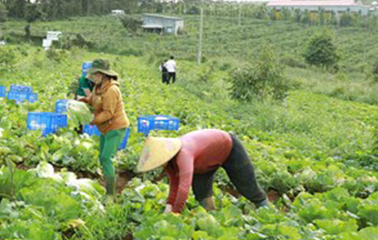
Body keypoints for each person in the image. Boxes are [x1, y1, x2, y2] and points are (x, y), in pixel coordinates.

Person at [135, 129, 269, 214]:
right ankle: (211, 215)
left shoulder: (183, 154)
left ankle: (266, 211)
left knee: (247, 185)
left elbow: (184, 187)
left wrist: (176, 212)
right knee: (201, 192)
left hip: (229, 147)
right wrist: (169, 205)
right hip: (205, 159)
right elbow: (174, 184)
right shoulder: (169, 163)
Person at [79, 59, 129, 200]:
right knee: (102, 157)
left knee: (106, 158)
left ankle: (111, 194)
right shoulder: (98, 87)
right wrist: (84, 101)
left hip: (116, 127)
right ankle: (109, 184)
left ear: (102, 75)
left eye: (94, 74)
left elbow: (108, 113)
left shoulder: (112, 90)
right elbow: (93, 100)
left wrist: (92, 121)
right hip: (105, 128)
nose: (92, 77)